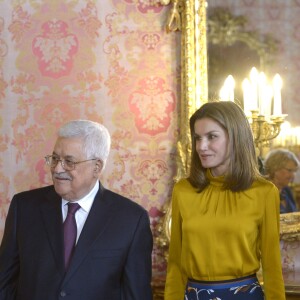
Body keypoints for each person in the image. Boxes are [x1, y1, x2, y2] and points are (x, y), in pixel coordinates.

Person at [0, 120, 153, 300]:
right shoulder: (24, 207)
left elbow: (136, 294)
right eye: (55, 159)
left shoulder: (131, 220)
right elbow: (4, 282)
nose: (57, 168)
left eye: (69, 161)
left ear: (97, 167)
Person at [164, 101, 286, 300]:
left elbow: (272, 266)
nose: (201, 147)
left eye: (212, 137)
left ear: (235, 138)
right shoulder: (183, 190)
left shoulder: (264, 192)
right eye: (197, 138)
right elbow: (175, 263)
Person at [264, 148, 299, 214]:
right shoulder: (264, 193)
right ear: (275, 168)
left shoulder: (286, 190)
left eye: (294, 171)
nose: (293, 176)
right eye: (289, 170)